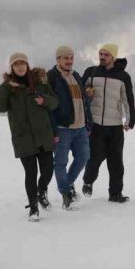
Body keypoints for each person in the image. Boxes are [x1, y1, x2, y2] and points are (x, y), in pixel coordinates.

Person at [0, 52, 59, 221]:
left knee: (48, 170)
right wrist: (6, 86)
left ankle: (42, 190)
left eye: (23, 63)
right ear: (11, 67)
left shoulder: (40, 83)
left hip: (43, 135)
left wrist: (44, 101)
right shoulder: (9, 88)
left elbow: (55, 102)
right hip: (23, 137)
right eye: (16, 64)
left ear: (28, 65)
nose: (20, 66)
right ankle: (34, 208)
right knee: (30, 173)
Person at [82, 43, 135, 203]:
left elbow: (128, 99)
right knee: (94, 157)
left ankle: (115, 193)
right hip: (95, 124)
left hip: (115, 126)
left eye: (106, 54)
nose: (102, 57)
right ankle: (88, 181)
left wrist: (130, 119)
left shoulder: (123, 76)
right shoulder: (90, 72)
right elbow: (79, 95)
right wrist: (86, 93)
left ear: (113, 57)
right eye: (100, 54)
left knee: (116, 161)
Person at [47, 45, 92, 210]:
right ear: (58, 59)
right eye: (65, 58)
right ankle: (66, 194)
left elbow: (84, 102)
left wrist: (88, 123)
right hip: (63, 128)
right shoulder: (51, 77)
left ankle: (68, 183)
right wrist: (53, 130)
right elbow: (49, 107)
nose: (69, 61)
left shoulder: (76, 76)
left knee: (84, 157)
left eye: (71, 58)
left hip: (81, 127)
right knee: (60, 162)